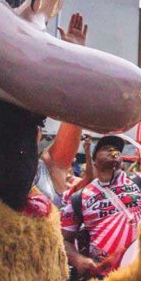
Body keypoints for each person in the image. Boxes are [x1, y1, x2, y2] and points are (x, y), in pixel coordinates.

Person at [60, 135, 141, 281]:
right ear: (94, 162)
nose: (112, 150)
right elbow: (64, 240)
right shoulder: (78, 198)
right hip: (106, 279)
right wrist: (79, 260)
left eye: (116, 149)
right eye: (105, 148)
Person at [32, 12, 89, 207]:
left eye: (33, 123)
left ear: (39, 133)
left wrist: (75, 59)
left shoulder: (49, 166)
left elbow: (74, 117)